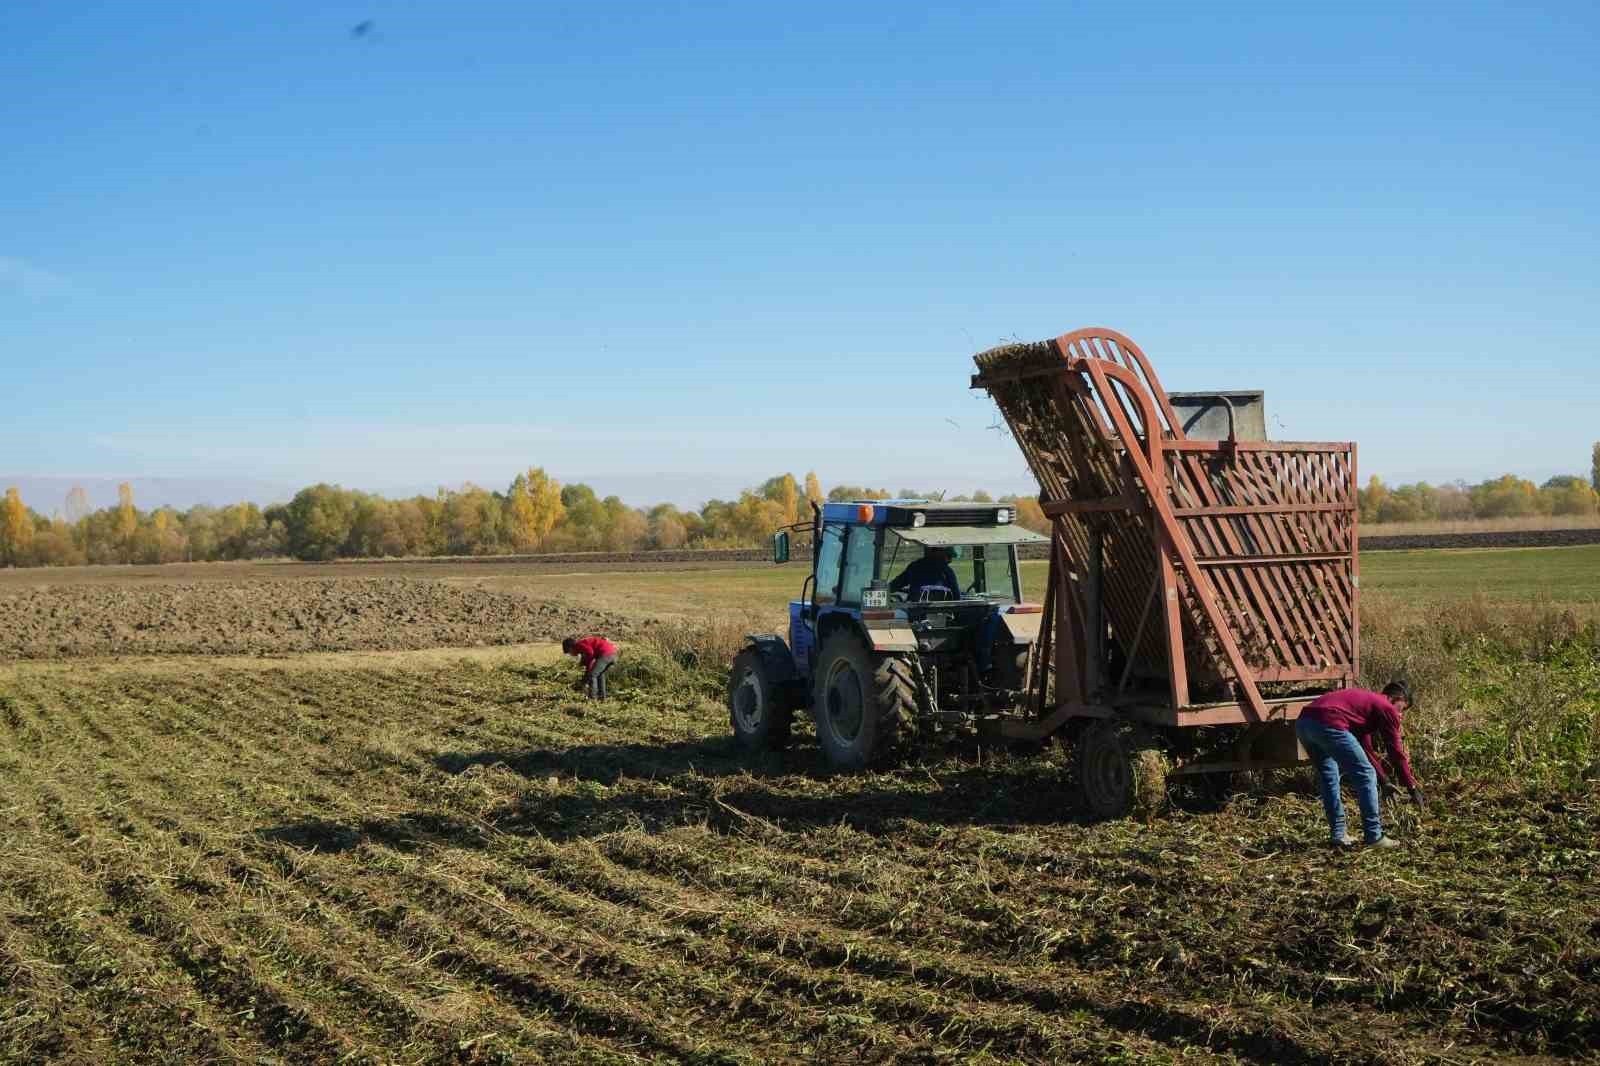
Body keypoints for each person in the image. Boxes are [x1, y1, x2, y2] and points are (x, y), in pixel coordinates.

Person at [1295, 681, 1425, 849]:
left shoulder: (1365, 707)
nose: (1401, 715)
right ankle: (1374, 836)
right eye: (1402, 709)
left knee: (1329, 776)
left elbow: (1367, 750)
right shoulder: (1387, 707)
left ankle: (1338, 834)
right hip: (1329, 721)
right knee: (1366, 774)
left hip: (1305, 722)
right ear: (1398, 698)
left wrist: (1385, 781)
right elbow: (1396, 754)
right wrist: (1412, 788)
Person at [890, 546, 961, 600]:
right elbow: (956, 595)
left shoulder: (915, 566)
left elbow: (896, 584)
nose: (950, 561)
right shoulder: (947, 571)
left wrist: (886, 589)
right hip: (942, 612)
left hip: (916, 611)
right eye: (948, 556)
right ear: (936, 552)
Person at [562, 635, 618, 700]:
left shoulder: (579, 645)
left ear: (570, 648)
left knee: (592, 676)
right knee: (600, 675)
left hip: (606, 654)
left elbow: (590, 653)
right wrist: (586, 667)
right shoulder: (581, 645)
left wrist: (588, 669)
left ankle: (592, 698)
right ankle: (602, 697)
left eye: (569, 652)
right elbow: (589, 657)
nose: (571, 655)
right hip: (613, 654)